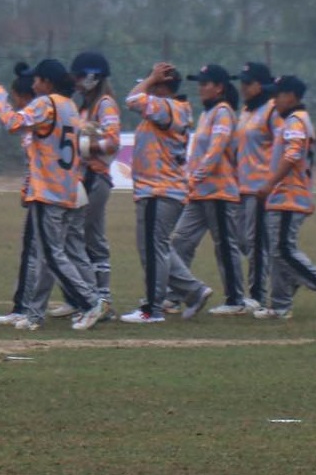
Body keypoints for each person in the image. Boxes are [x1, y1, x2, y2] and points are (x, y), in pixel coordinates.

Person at [0, 59, 106, 331]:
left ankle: (90, 302)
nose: (34, 84)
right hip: (66, 188)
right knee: (46, 255)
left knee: (52, 255)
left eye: (37, 80)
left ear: (47, 82)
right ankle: (34, 314)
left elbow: (12, 123)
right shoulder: (70, 106)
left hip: (47, 190)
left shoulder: (46, 103)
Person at [120, 62, 213, 324]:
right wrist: (152, 80)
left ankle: (152, 309)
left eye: (152, 85)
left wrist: (150, 78)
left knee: (154, 250)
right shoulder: (172, 109)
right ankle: (193, 291)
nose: (147, 88)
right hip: (160, 189)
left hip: (159, 189)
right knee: (155, 248)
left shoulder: (167, 107)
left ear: (162, 87)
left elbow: (132, 100)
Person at [253, 76, 316, 320]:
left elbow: (292, 155)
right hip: (284, 195)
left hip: (289, 195)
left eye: (278, 95)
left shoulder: (295, 120)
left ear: (291, 96)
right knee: (277, 251)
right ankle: (280, 305)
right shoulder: (293, 120)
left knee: (282, 249)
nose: (274, 100)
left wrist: (270, 183)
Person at [166, 63, 247, 315]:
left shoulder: (223, 112)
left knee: (225, 246)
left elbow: (216, 150)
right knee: (180, 241)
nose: (200, 88)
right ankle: (175, 295)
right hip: (199, 193)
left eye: (205, 84)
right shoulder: (206, 114)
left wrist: (193, 178)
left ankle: (235, 300)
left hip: (219, 191)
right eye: (199, 84)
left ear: (219, 87)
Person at [48, 51, 121, 319]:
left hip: (95, 177)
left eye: (80, 76)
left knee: (91, 239)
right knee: (78, 238)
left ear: (93, 77)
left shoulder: (105, 104)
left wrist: (85, 146)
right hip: (83, 178)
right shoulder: (85, 105)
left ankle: (101, 299)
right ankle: (78, 297)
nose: (76, 82)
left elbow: (113, 142)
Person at [0, 63, 44, 325]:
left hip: (47, 194)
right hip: (43, 192)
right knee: (51, 252)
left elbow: (11, 122)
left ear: (24, 97)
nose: (15, 105)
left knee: (36, 252)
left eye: (15, 99)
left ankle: (24, 308)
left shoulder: (37, 117)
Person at [235, 62, 282, 311]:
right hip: (241, 187)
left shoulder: (272, 110)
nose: (243, 87)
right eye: (242, 82)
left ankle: (257, 295)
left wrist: (272, 180)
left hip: (261, 188)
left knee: (255, 243)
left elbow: (282, 146)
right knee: (242, 240)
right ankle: (290, 274)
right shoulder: (246, 110)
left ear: (261, 85)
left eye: (248, 82)